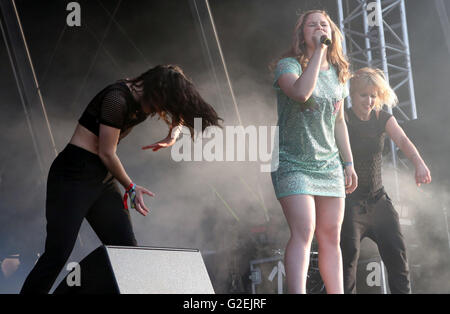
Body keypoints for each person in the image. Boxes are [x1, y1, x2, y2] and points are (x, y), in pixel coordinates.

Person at [20, 64, 222, 294]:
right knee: (57, 253)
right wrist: (131, 187)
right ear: (154, 91)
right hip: (73, 174)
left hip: (101, 176)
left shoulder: (153, 94)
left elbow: (180, 115)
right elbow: (106, 152)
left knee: (127, 254)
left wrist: (171, 137)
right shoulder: (117, 99)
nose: (159, 111)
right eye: (161, 105)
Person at [270, 10, 357, 294]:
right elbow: (301, 93)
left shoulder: (339, 74)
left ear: (332, 32)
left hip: (329, 163)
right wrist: (319, 52)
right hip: (292, 161)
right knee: (305, 230)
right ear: (302, 34)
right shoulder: (287, 66)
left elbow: (339, 121)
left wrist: (348, 162)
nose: (320, 28)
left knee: (331, 236)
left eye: (324, 24)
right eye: (313, 25)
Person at [340, 67, 432, 294]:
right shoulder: (345, 118)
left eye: (373, 95)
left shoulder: (382, 117)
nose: (369, 100)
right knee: (346, 262)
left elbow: (401, 139)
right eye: (364, 95)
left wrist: (419, 163)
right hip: (350, 203)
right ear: (352, 95)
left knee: (398, 257)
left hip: (379, 200)